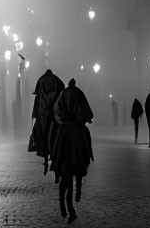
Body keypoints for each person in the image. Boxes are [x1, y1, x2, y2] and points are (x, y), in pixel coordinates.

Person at [50, 78, 94, 224]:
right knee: (80, 162)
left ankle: (65, 205)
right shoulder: (79, 94)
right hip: (77, 136)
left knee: (65, 174)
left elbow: (55, 112)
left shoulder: (63, 95)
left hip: (63, 137)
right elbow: (88, 113)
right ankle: (77, 191)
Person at [32, 69, 65, 174]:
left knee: (41, 134)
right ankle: (54, 156)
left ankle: (45, 156)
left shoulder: (40, 81)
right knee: (55, 134)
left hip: (42, 113)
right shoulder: (57, 80)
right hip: (54, 112)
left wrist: (35, 113)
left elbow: (37, 96)